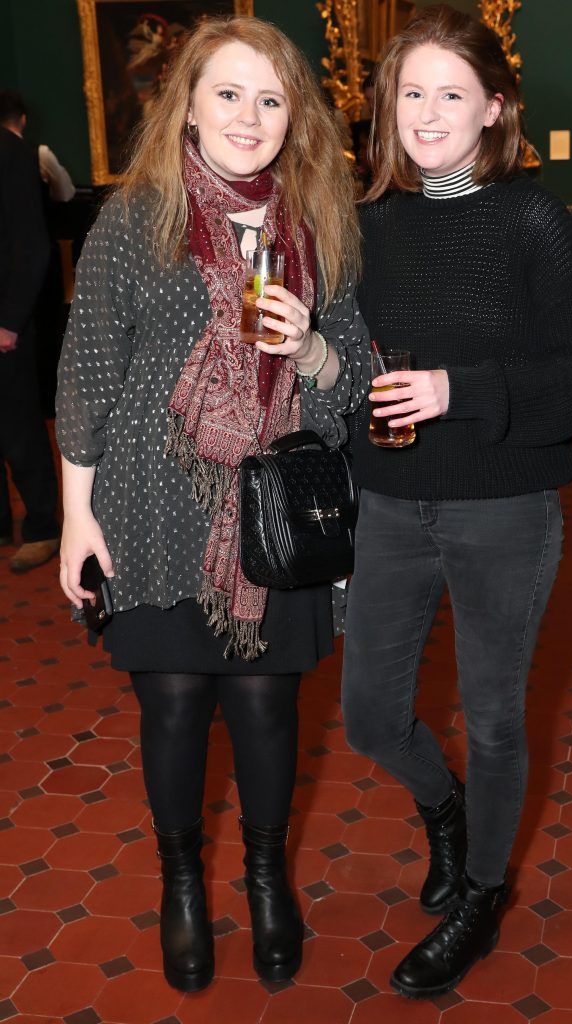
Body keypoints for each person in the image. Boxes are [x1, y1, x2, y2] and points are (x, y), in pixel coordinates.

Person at [56, 15, 367, 992]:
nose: (249, 114)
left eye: (271, 98)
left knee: (270, 708)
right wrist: (75, 514)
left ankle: (268, 880)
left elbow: (354, 375)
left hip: (273, 518)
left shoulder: (318, 221)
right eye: (228, 92)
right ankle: (182, 881)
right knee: (176, 705)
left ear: (295, 117)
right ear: (186, 104)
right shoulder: (134, 217)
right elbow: (88, 371)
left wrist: (312, 345)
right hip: (150, 506)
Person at [341, 3, 572, 1000]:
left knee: (495, 714)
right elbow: (349, 375)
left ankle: (482, 890)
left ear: (494, 108)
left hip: (502, 505)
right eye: (410, 92)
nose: (426, 112)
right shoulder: (367, 223)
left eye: (449, 93)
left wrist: (460, 389)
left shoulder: (534, 220)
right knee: (370, 715)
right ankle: (448, 807)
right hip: (388, 501)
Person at [0, 91, 60, 570]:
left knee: (20, 427)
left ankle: (42, 527)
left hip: (7, 320)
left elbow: (30, 244)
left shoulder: (14, 151)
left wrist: (9, 319)